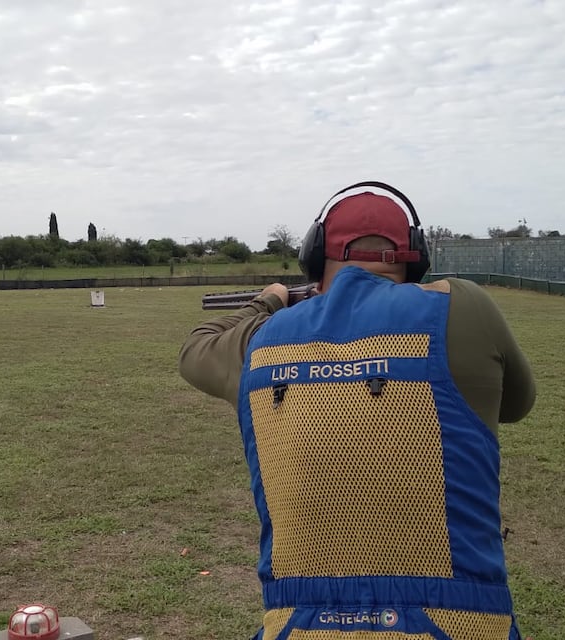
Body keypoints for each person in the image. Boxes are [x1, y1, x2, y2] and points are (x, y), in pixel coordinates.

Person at [178, 181, 536, 640]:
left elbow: (195, 347)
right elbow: (517, 404)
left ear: (313, 255)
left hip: (299, 623)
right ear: (416, 258)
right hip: (463, 623)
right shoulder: (466, 307)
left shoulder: (261, 338)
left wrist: (269, 299)